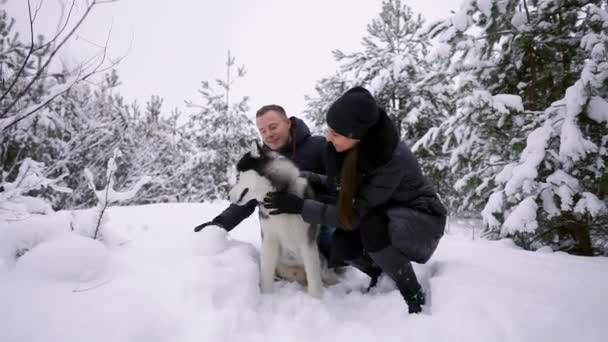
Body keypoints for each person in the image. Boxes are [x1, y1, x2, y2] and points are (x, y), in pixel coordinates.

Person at [262, 86, 447, 314]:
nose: (328, 138)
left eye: (335, 134)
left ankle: (413, 293)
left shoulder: (391, 159)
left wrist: (300, 207)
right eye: (329, 130)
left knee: (370, 226)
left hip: (421, 219)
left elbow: (354, 213)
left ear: (355, 135)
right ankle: (381, 275)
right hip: (387, 210)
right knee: (344, 245)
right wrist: (308, 177)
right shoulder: (360, 146)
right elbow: (345, 187)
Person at [193, 104, 331, 255]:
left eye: (273, 127)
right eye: (263, 131)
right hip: (280, 243)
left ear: (288, 122)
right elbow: (246, 198)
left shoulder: (318, 146)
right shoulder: (261, 160)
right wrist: (220, 223)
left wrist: (307, 185)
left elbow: (340, 187)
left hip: (318, 236)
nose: (268, 135)